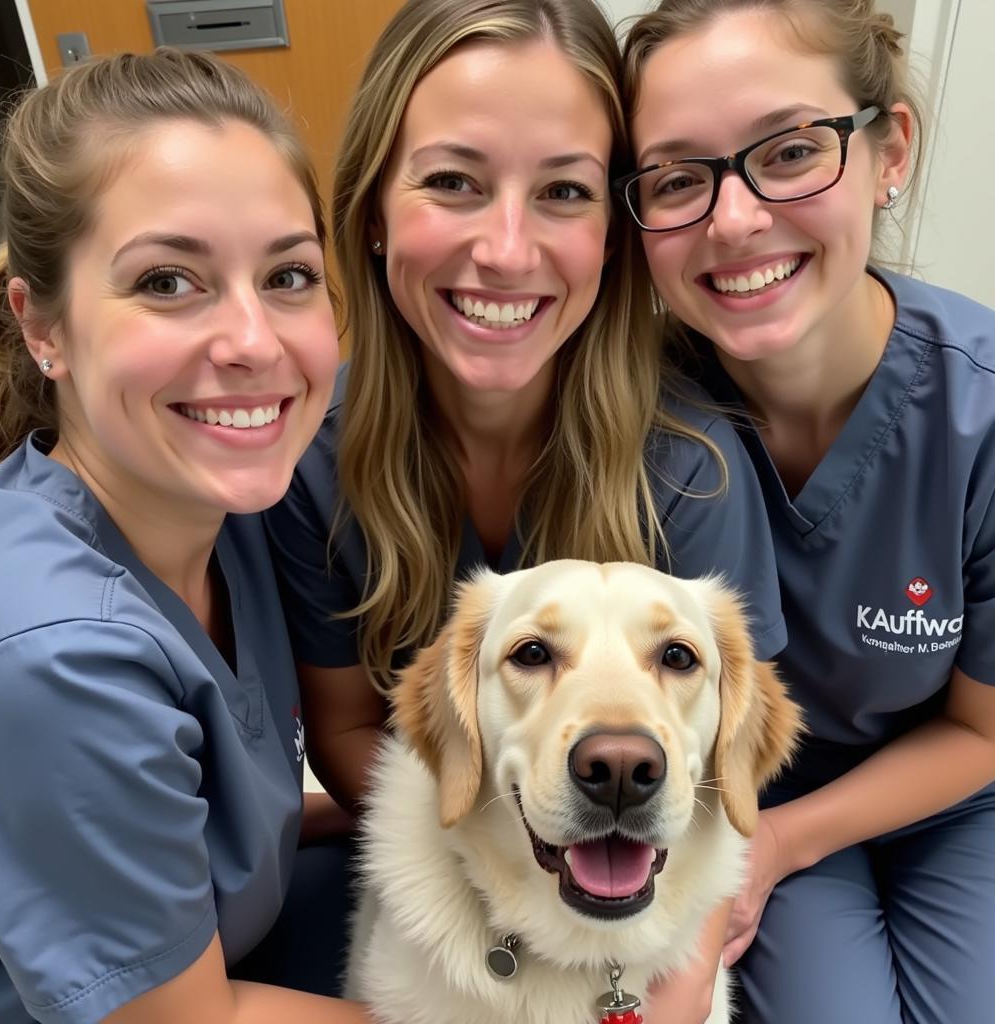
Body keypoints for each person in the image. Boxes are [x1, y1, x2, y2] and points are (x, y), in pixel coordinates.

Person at [265, 0, 787, 1018]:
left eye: (563, 191)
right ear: (371, 206)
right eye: (454, 181)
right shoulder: (305, 455)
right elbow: (347, 730)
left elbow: (725, 775)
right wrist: (491, 828)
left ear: (612, 232)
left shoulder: (693, 469)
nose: (505, 250)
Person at [0, 49, 371, 1024]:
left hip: (236, 941)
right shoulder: (54, 656)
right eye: (166, 280)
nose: (251, 340)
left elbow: (221, 827)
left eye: (287, 275)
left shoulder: (223, 507)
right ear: (44, 326)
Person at [619, 1, 995, 1021]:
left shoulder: (981, 413)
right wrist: (754, 842)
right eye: (677, 178)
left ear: (889, 151)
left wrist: (788, 843)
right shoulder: (630, 419)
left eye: (788, 152)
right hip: (744, 791)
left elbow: (982, 726)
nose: (732, 220)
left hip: (951, 789)